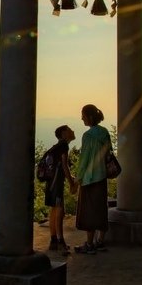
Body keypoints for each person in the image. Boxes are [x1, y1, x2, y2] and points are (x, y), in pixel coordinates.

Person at [73, 104, 111, 254]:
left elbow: (84, 160)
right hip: (102, 176)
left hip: (90, 178)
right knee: (101, 208)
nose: (81, 118)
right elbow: (109, 152)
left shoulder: (88, 136)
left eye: (82, 115)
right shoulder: (104, 132)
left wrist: (77, 179)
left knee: (89, 211)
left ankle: (89, 244)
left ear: (89, 117)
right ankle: (100, 240)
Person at [43, 125, 78, 254]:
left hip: (50, 182)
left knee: (54, 209)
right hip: (56, 183)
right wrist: (71, 183)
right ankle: (60, 241)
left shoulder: (56, 147)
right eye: (69, 130)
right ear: (63, 134)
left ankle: (53, 241)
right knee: (59, 211)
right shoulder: (64, 145)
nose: (73, 131)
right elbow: (64, 166)